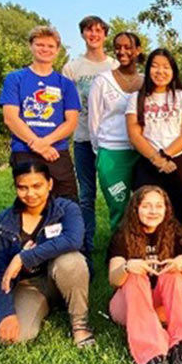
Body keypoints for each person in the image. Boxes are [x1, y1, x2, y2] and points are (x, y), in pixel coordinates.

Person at [0, 162, 94, 348]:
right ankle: (47, 305)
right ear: (15, 187)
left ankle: (80, 325)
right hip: (30, 285)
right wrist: (5, 314)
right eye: (23, 187)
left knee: (71, 261)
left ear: (50, 184)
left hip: (63, 274)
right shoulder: (3, 222)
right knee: (15, 338)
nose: (30, 194)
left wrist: (23, 257)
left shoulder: (67, 209)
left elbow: (73, 240)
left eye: (37, 186)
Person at [108, 185, 182, 364]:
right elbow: (114, 279)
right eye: (147, 206)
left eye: (158, 206)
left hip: (161, 307)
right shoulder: (123, 234)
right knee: (135, 276)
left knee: (173, 275)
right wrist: (127, 267)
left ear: (166, 209)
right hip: (130, 306)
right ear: (136, 208)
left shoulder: (173, 231)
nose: (153, 211)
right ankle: (151, 353)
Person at [0, 25, 81, 200]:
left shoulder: (65, 84)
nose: (45, 49)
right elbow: (10, 118)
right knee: (31, 201)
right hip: (24, 149)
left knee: (68, 202)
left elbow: (71, 122)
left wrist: (45, 144)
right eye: (40, 45)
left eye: (50, 46)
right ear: (31, 46)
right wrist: (35, 143)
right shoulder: (15, 79)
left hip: (56, 151)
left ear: (57, 50)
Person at [62, 16, 118, 256]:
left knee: (117, 192)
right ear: (83, 35)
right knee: (86, 194)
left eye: (98, 30)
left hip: (112, 141)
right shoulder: (72, 68)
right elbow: (64, 103)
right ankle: (85, 244)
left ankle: (120, 242)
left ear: (105, 34)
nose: (94, 34)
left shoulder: (114, 66)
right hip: (84, 138)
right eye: (88, 30)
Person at [126, 48, 182, 227]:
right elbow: (134, 135)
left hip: (178, 161)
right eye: (155, 66)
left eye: (166, 67)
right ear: (148, 69)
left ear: (173, 71)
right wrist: (156, 159)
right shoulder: (136, 98)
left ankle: (179, 251)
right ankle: (146, 251)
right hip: (147, 160)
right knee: (145, 212)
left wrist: (166, 156)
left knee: (177, 211)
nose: (160, 72)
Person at [89, 32, 145, 230]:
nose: (122, 51)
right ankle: (119, 254)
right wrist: (102, 151)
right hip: (112, 152)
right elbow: (94, 121)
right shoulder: (102, 81)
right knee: (119, 207)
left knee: (145, 207)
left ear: (138, 50)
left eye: (127, 47)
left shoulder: (147, 81)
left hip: (142, 152)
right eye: (118, 47)